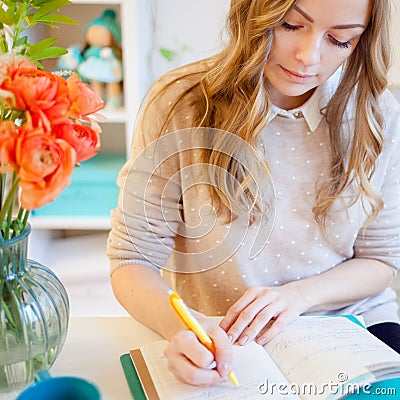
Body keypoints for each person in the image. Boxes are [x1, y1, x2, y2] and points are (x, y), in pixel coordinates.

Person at [107, 0, 400, 388]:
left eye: (339, 40)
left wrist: (299, 297)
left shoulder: (377, 113)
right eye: (290, 25)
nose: (308, 57)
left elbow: (381, 260)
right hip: (224, 338)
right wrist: (183, 327)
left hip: (355, 324)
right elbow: (132, 256)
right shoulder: (181, 104)